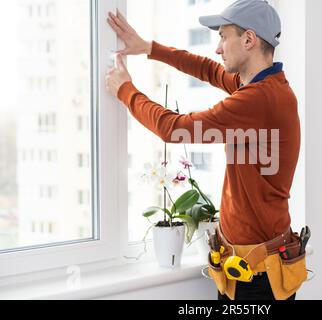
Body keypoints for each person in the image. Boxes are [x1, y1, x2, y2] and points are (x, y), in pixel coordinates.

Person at [106, 0, 303, 300]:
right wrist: (149, 48)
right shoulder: (262, 85)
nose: (218, 48)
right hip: (243, 271)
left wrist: (125, 90)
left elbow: (173, 128)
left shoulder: (260, 99)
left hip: (260, 281)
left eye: (224, 37)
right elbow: (208, 70)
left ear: (248, 39)